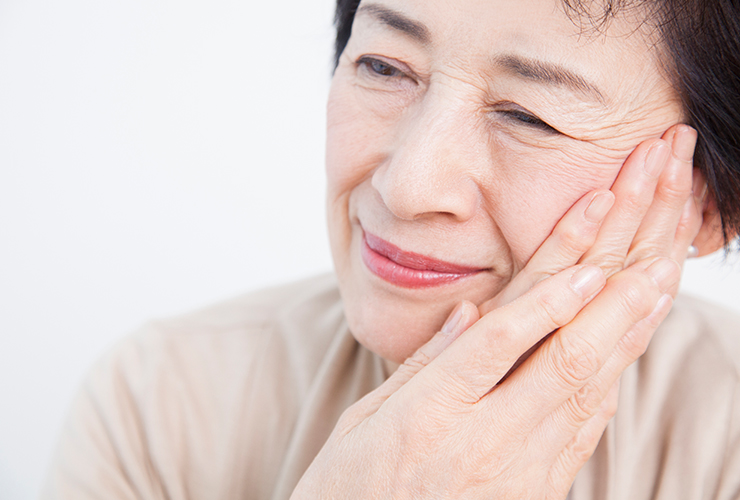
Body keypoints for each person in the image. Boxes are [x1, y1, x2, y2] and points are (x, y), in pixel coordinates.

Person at [42, 0, 740, 498]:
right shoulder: (160, 402)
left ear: (710, 206)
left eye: (530, 115)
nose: (407, 185)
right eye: (384, 67)